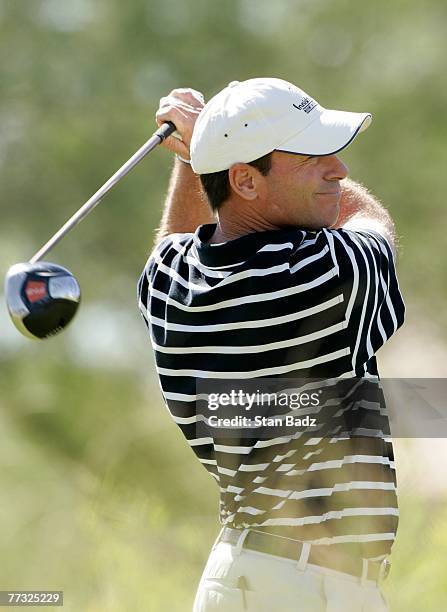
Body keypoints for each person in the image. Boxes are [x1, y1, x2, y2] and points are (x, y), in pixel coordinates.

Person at [137, 78, 405, 611]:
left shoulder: (167, 283)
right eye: (311, 157)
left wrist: (199, 159)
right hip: (316, 588)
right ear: (246, 180)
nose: (340, 169)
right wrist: (202, 152)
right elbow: (370, 220)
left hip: (234, 578)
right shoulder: (320, 273)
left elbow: (176, 240)